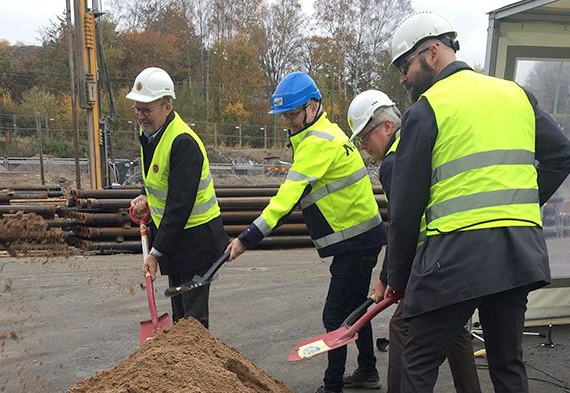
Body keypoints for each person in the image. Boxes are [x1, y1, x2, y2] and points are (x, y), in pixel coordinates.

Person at [383, 12, 570, 392]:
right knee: (507, 365)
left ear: (433, 52)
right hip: (517, 254)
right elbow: (563, 156)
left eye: (405, 65)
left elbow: (405, 211)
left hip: (454, 258)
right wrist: (519, 205)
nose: (403, 77)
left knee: (416, 363)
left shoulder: (426, 111)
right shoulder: (515, 94)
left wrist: (397, 278)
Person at [226, 71, 388, 393]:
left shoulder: (317, 144)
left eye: (291, 114)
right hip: (360, 239)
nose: (287, 122)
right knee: (355, 307)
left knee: (335, 316)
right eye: (283, 116)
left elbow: (286, 198)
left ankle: (332, 386)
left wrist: (246, 238)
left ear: (312, 108)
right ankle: (368, 370)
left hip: (356, 242)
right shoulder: (324, 135)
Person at [348, 89, 481, 393]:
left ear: (386, 126)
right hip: (457, 250)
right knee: (457, 331)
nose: (365, 148)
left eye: (365, 138)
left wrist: (389, 280)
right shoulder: (424, 143)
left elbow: (401, 224)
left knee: (402, 327)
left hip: (428, 259)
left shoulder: (395, 162)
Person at [127, 67, 229, 329]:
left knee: (193, 320)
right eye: (137, 109)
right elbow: (156, 180)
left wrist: (155, 253)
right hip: (175, 241)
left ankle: (199, 368)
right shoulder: (149, 136)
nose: (140, 116)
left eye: (146, 110)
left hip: (198, 241)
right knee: (180, 313)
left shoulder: (183, 143)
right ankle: (182, 366)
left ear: (167, 107)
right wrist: (143, 196)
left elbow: (179, 205)